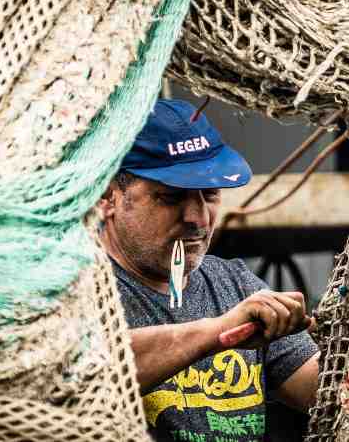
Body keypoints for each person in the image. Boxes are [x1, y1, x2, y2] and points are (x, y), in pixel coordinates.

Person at [96, 99, 319, 442]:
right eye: (171, 198)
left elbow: (321, 391)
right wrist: (219, 332)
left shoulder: (236, 285)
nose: (198, 219)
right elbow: (84, 373)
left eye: (211, 194)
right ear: (108, 196)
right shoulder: (80, 289)